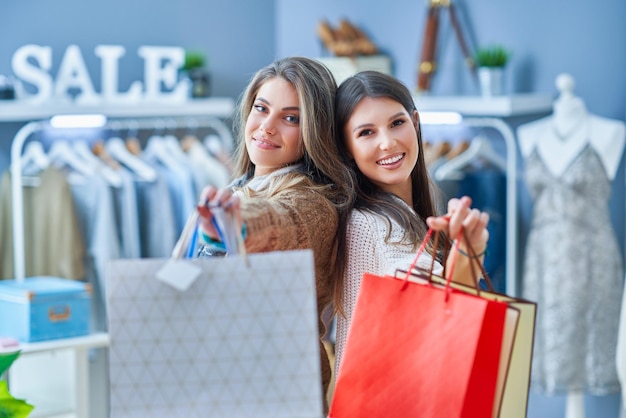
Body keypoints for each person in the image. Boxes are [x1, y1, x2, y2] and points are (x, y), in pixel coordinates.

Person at [194, 56, 354, 410]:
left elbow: (282, 221)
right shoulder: (240, 187)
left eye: (290, 118)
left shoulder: (314, 202)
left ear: (315, 131)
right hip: (218, 380)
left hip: (273, 392)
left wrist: (238, 224)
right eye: (261, 108)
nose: (266, 126)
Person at [331, 70, 491, 374]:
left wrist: (467, 249)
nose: (388, 143)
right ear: (346, 148)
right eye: (367, 132)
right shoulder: (373, 224)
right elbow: (431, 318)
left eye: (397, 123)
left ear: (415, 123)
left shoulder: (408, 214)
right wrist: (468, 253)